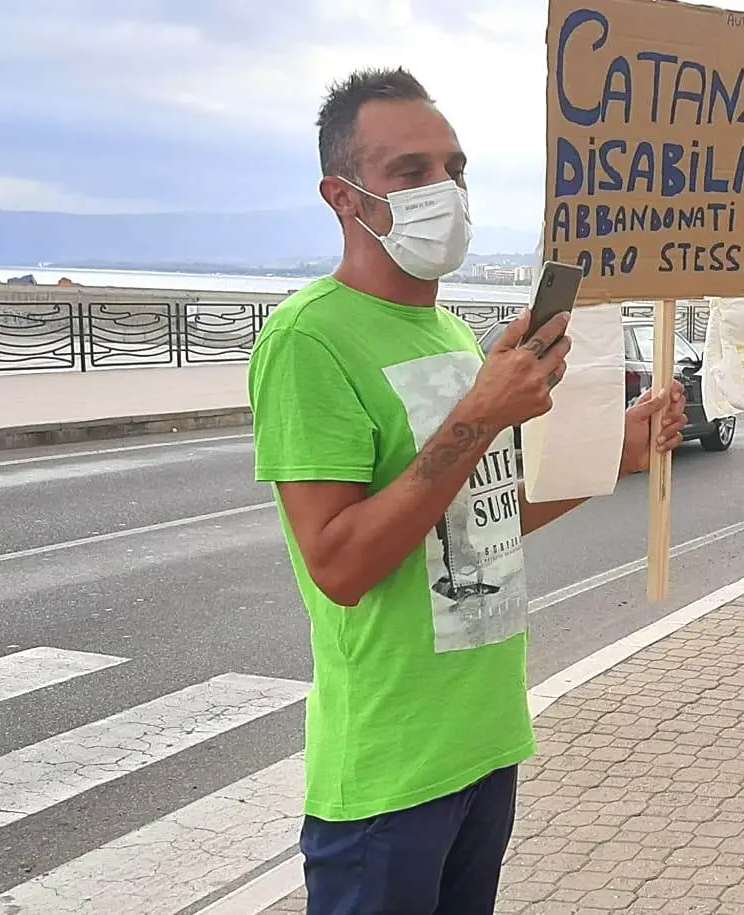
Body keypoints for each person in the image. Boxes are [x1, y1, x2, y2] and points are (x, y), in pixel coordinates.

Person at [246, 67, 687, 915]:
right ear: (343, 196)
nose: (442, 190)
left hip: (482, 741)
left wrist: (616, 454)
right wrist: (481, 415)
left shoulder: (450, 331)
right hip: (388, 771)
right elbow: (339, 563)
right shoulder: (310, 339)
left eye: (453, 168)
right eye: (409, 172)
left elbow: (478, 520)